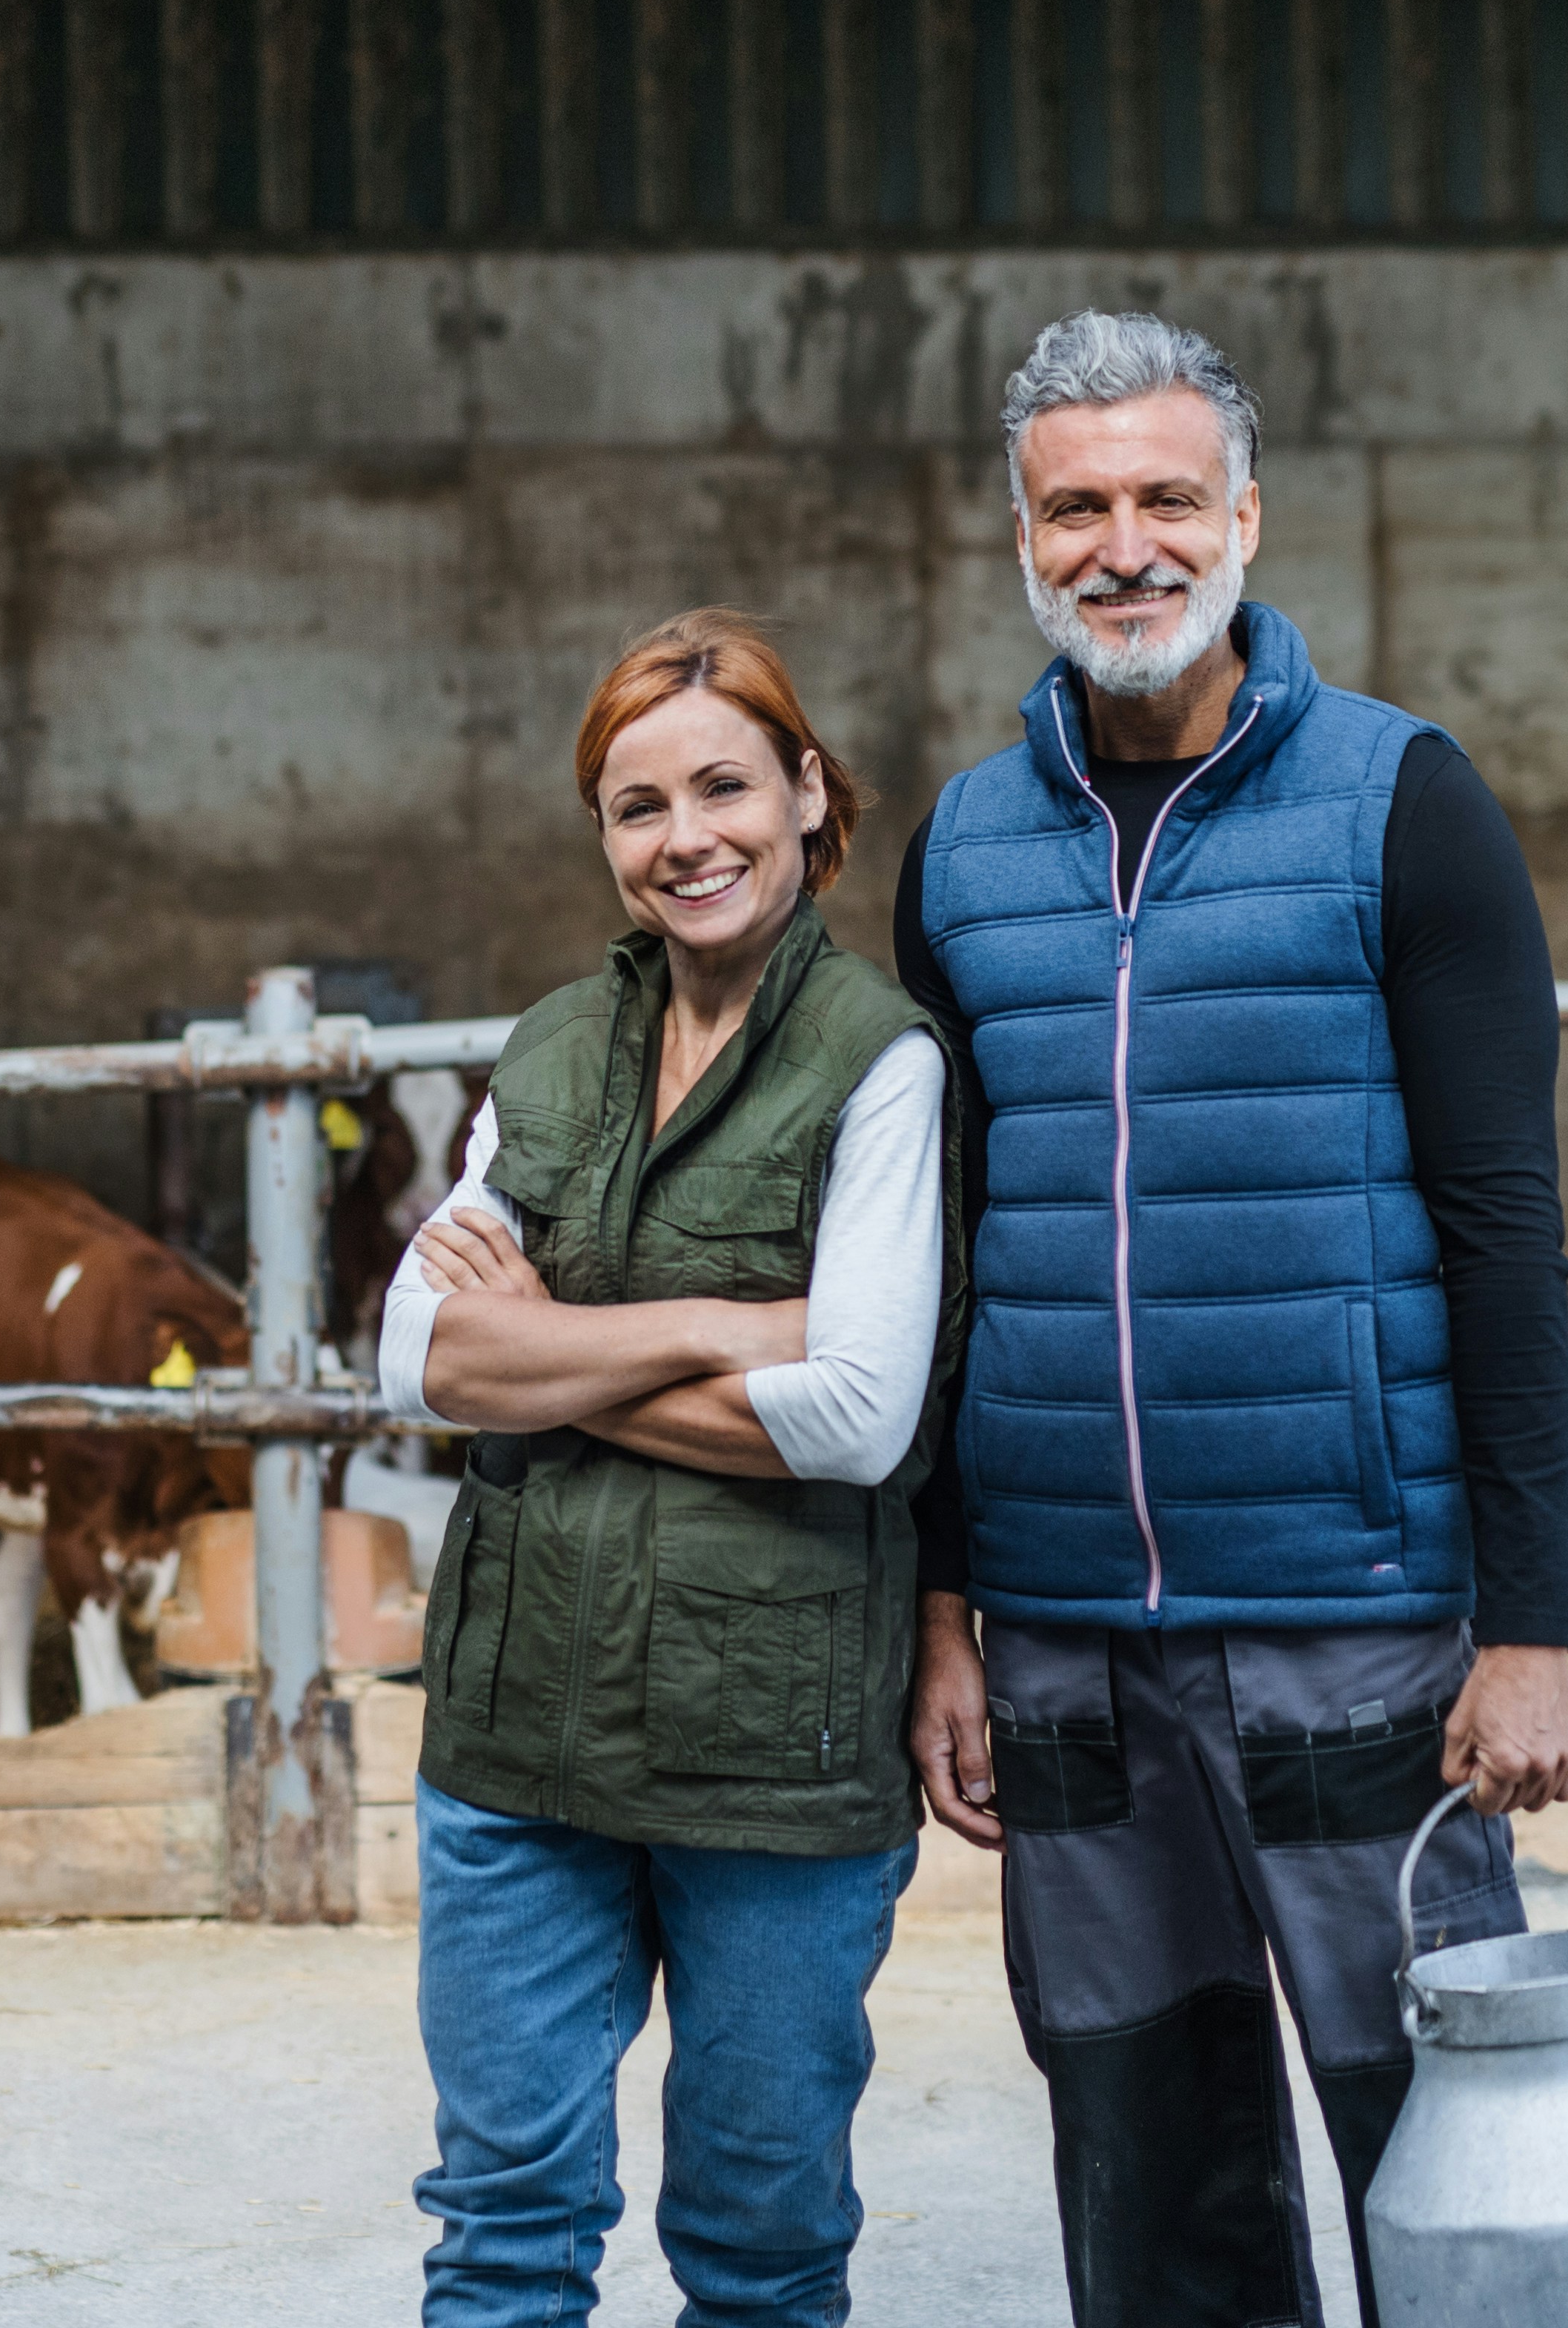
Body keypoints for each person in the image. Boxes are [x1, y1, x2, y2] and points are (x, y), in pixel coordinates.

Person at [893, 311, 1568, 2328]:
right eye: (1077, 507)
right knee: (1146, 2153)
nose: (1125, 545)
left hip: (1353, 1621)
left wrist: (1530, 1627)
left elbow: (1506, 1230)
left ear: (1247, 516)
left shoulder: (1402, 803)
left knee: (1437, 2145)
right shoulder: (961, 851)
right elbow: (943, 1259)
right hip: (1065, 1642)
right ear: (1022, 537)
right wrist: (944, 1610)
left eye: (1167, 497)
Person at [380, 606, 957, 2328]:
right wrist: (721, 1323)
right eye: (638, 804)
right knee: (503, 2223)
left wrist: (547, 1355)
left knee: (762, 2244)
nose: (685, 835)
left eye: (724, 786)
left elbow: (860, 1417)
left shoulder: (883, 1060)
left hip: (772, 1750)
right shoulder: (556, 1046)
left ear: (807, 794)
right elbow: (417, 1356)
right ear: (605, 834)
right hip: (518, 1733)